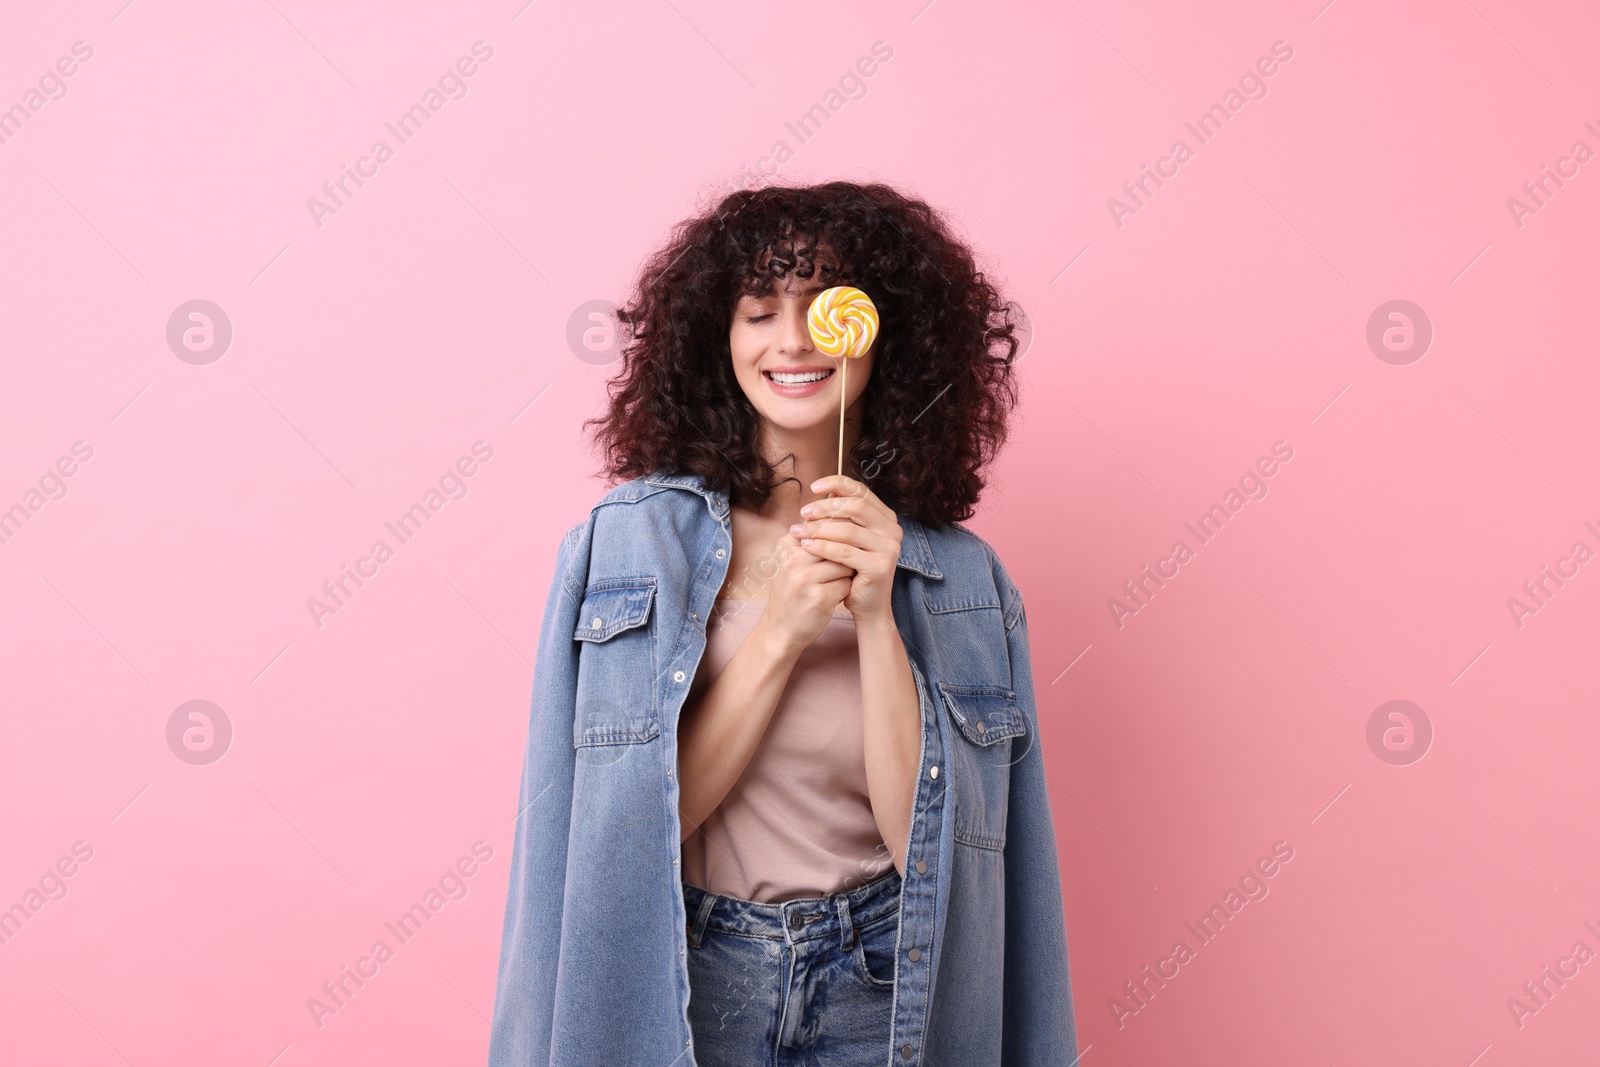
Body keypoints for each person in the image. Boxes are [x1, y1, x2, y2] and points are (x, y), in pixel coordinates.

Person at [487, 180, 1077, 1067]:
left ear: (889, 335)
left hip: (881, 987)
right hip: (686, 979)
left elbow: (933, 849)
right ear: (717, 340)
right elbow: (638, 821)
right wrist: (781, 632)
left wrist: (876, 618)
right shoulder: (628, 545)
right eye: (760, 311)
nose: (795, 339)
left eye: (823, 308)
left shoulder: (962, 578)